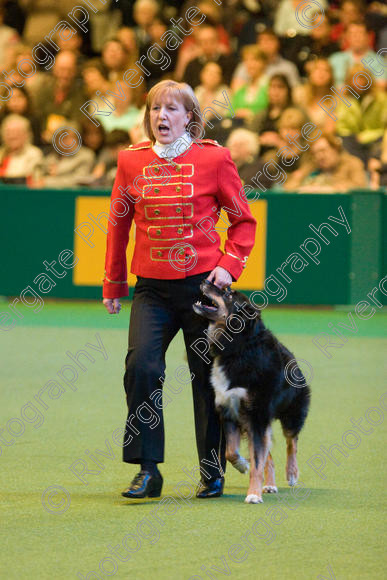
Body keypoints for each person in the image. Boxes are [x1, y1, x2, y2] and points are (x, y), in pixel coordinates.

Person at [102, 80, 256, 500]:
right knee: (142, 368)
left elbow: (243, 221)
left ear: (189, 116)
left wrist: (228, 265)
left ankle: (212, 472)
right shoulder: (130, 162)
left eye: (172, 109)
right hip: (150, 288)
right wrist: (114, 283)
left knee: (205, 377)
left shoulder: (215, 158)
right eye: (155, 109)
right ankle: (148, 471)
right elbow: (118, 226)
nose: (162, 117)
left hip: (202, 289)